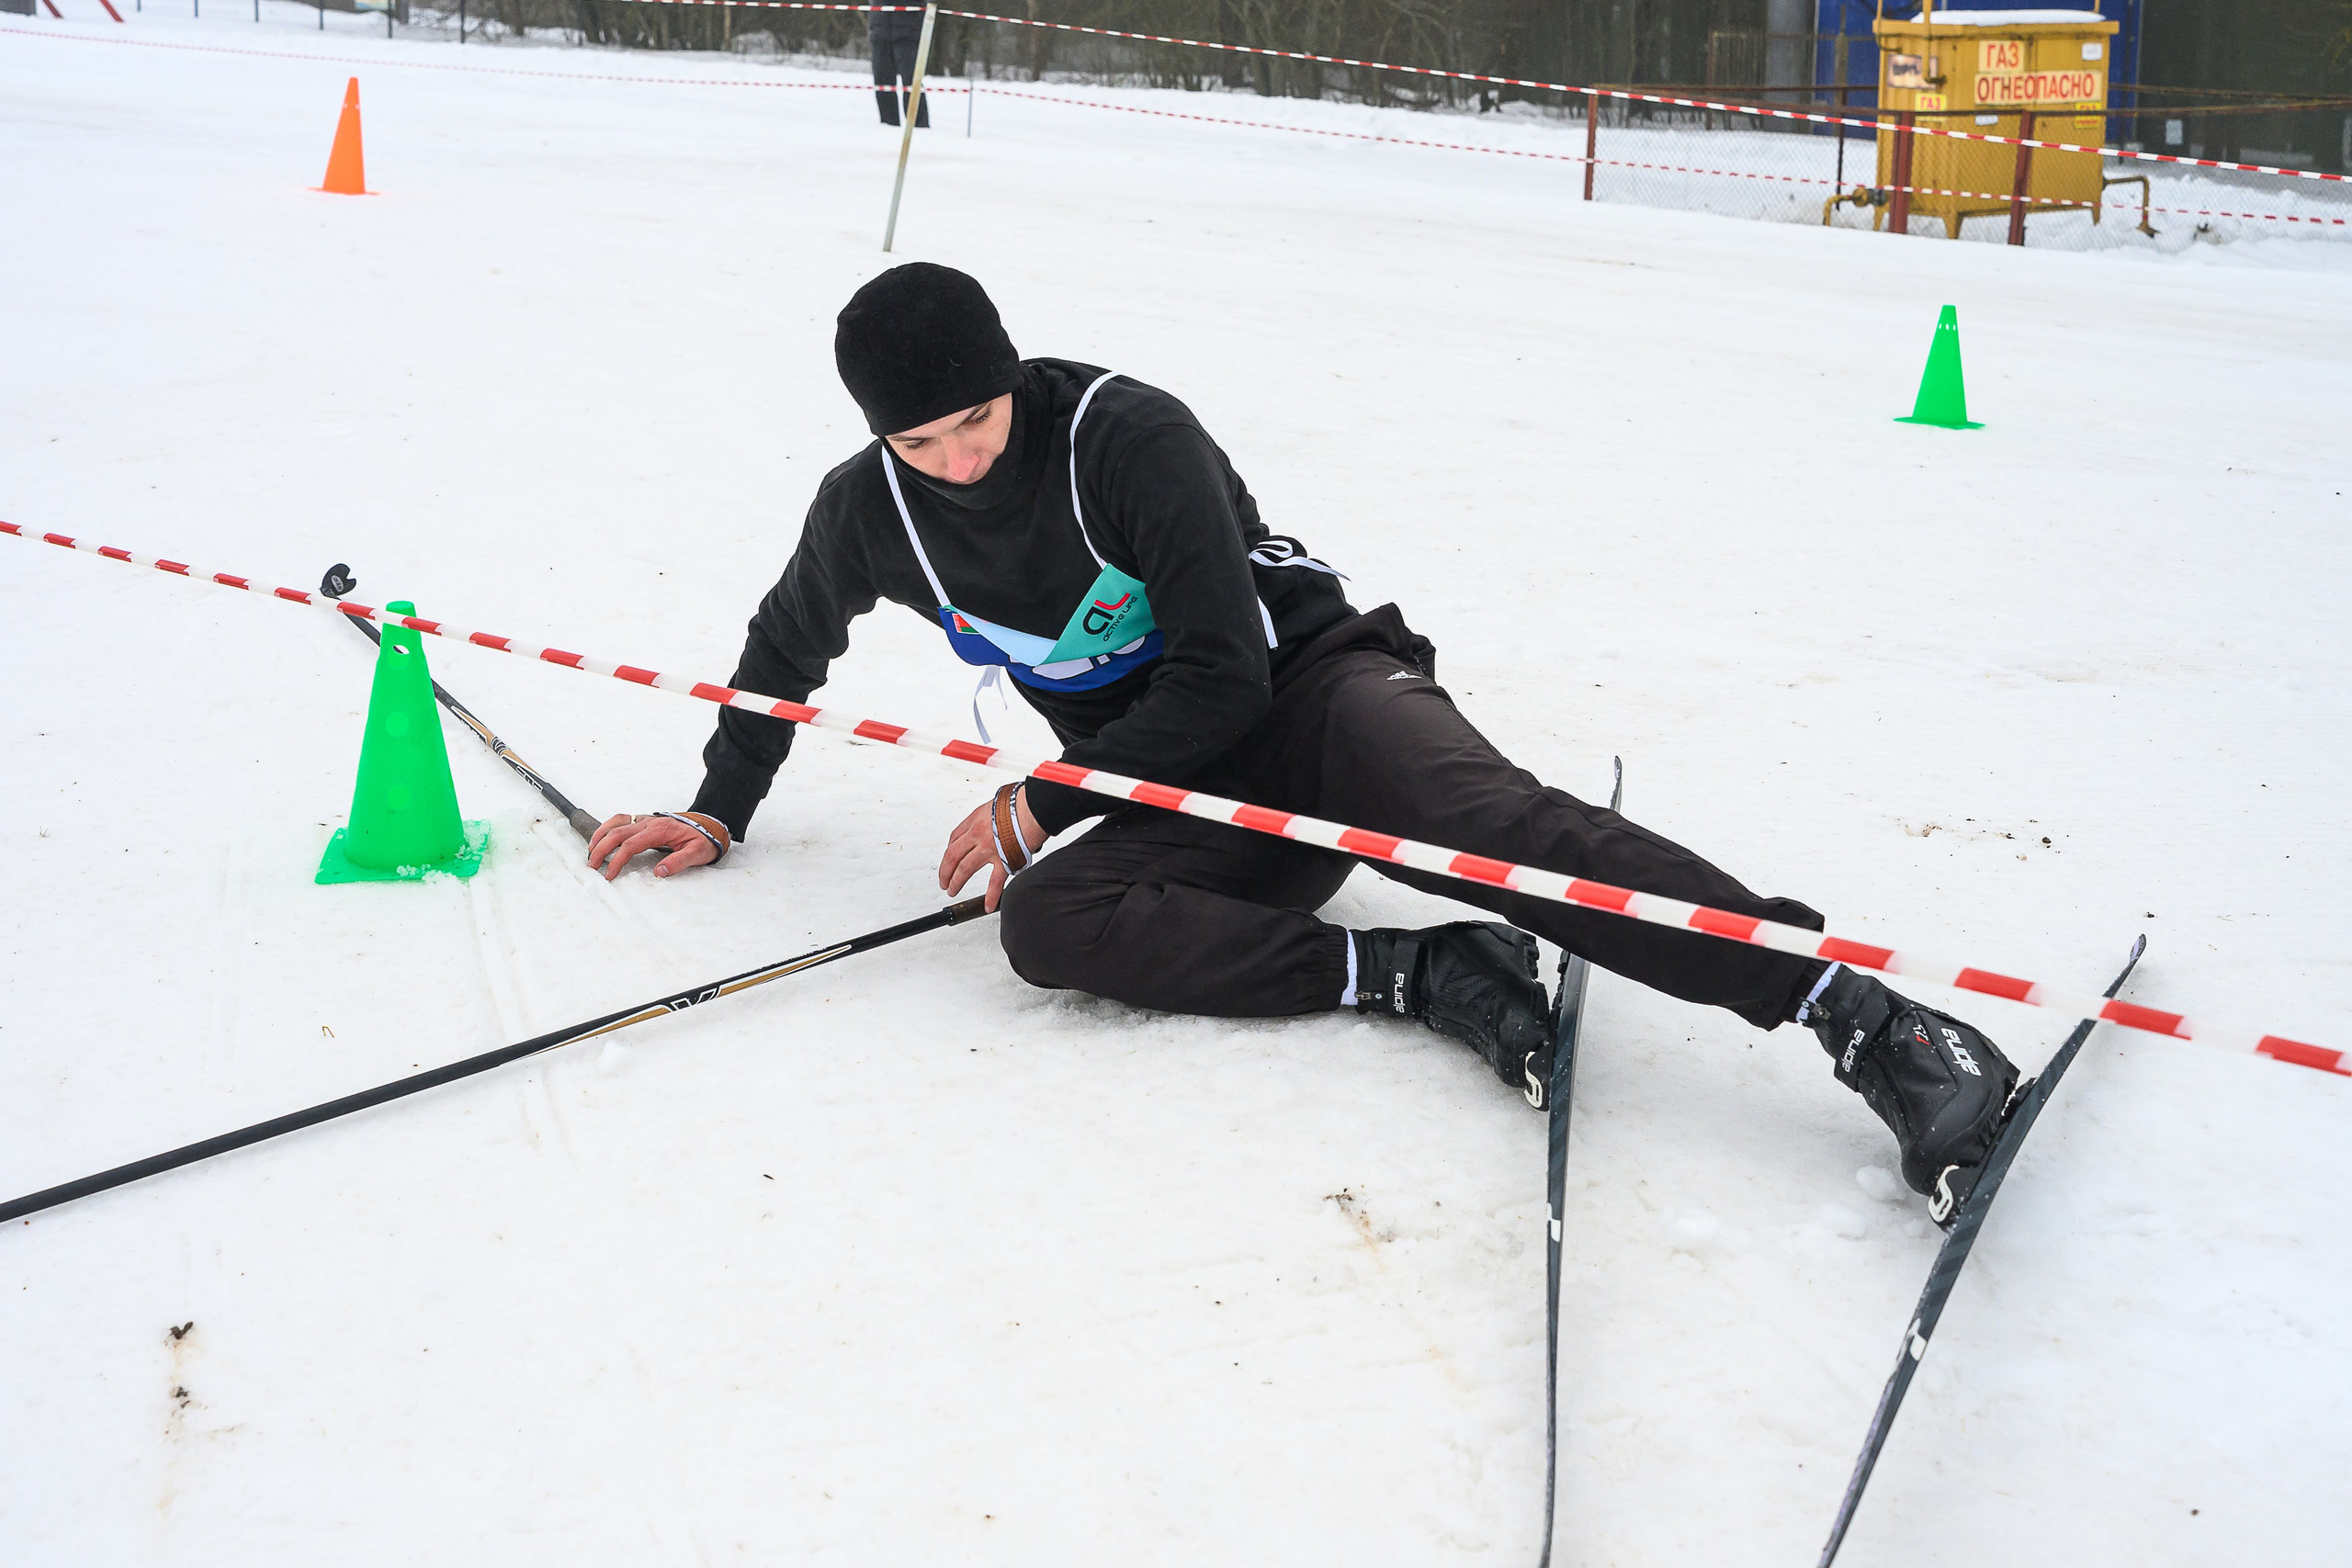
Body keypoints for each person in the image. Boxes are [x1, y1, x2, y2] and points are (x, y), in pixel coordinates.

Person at [587, 264, 2021, 1227]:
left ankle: (1862, 1013)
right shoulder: (871, 510)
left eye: (976, 420)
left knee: (1501, 830)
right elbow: (786, 645)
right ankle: (1415, 968)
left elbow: (1221, 674)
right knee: (1050, 920)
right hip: (1184, 782)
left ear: (1010, 376)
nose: (961, 460)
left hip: (1313, 693)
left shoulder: (1123, 437)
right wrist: (721, 808)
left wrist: (1049, 786)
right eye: (925, 444)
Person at [867, 8, 931, 130]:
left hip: (909, 30)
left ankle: (919, 127)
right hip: (880, 29)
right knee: (882, 82)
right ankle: (888, 126)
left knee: (912, 81)